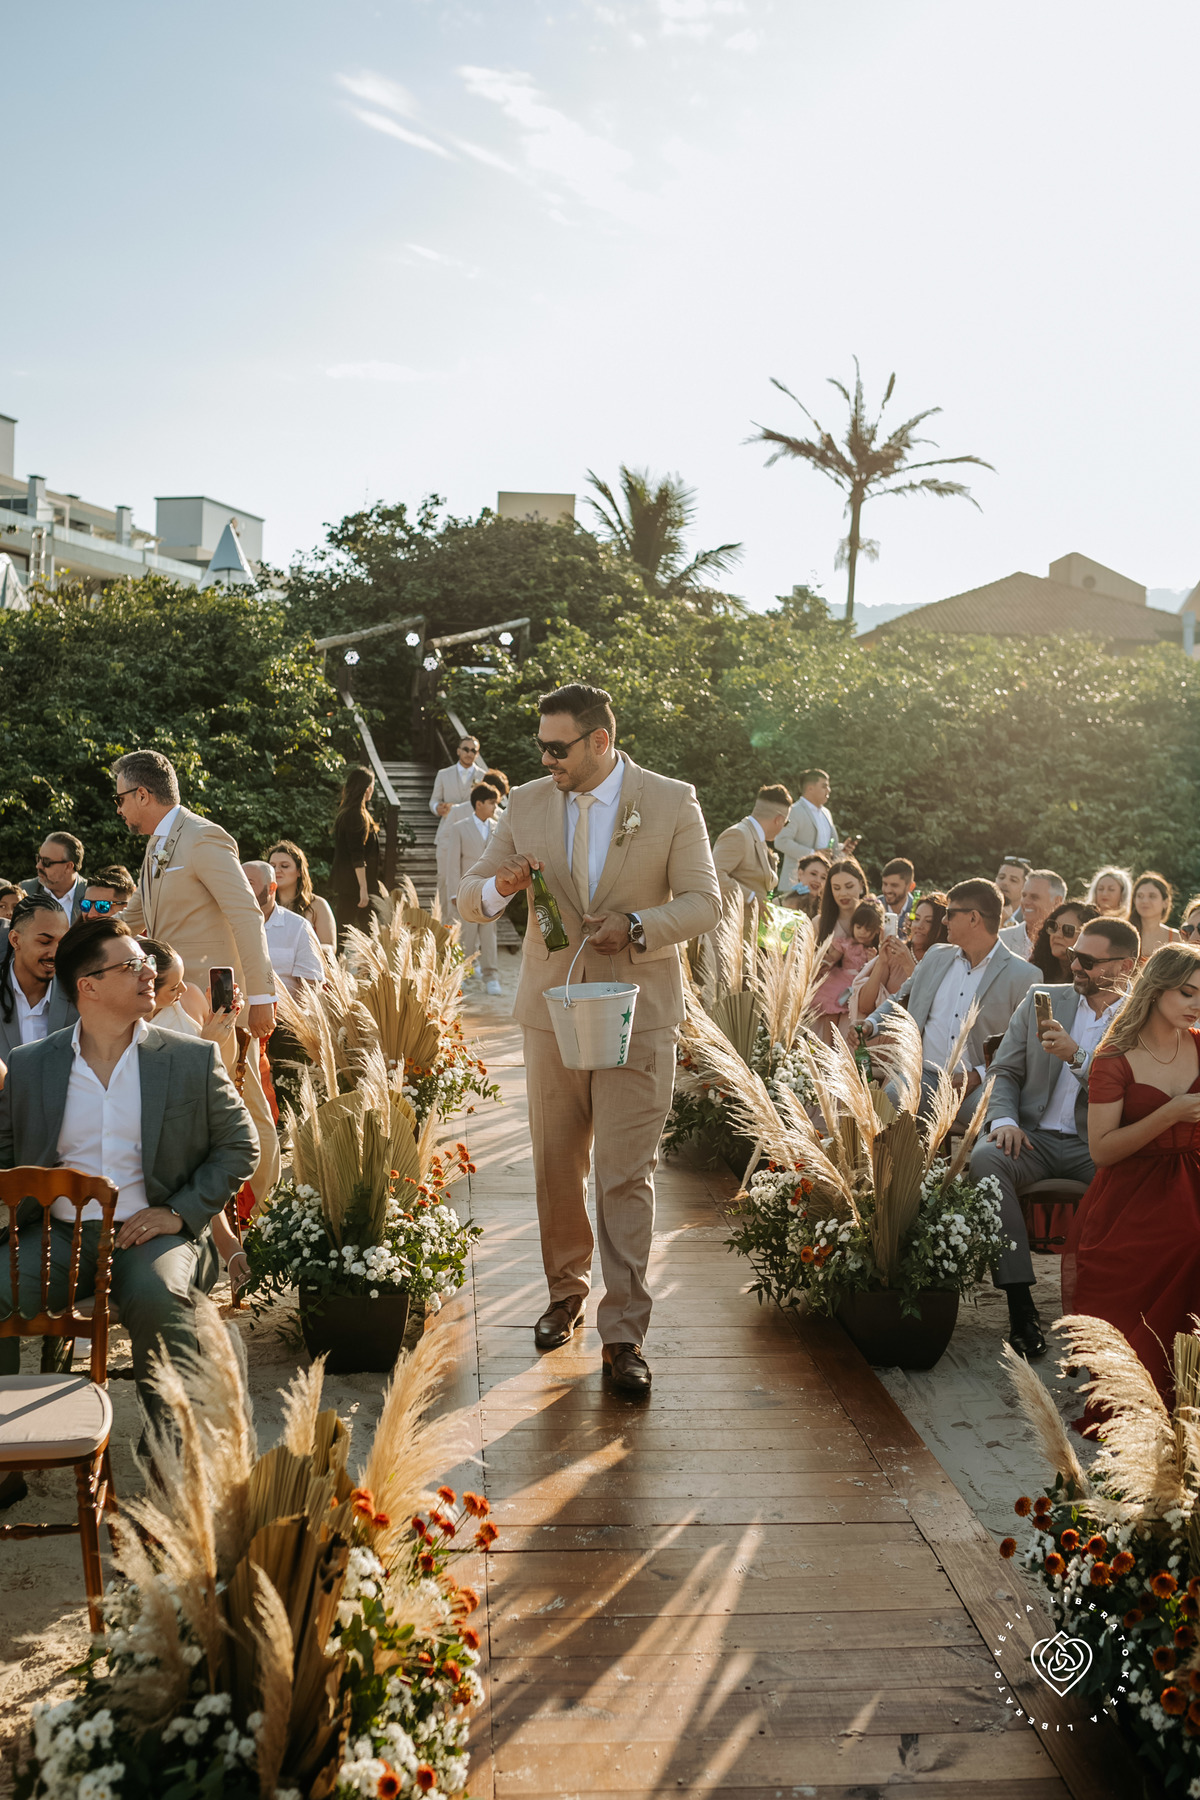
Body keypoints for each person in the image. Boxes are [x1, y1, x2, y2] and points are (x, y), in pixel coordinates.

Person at [457, 682, 721, 1395]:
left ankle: (625, 1332)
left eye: (557, 747)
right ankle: (563, 1294)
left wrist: (638, 927)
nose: (546, 759)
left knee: (625, 1172)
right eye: (540, 746)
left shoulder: (671, 800)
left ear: (600, 741)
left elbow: (705, 901)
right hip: (550, 1012)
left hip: (640, 1010)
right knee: (554, 1164)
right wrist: (500, 888)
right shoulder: (530, 803)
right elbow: (468, 897)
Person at [0, 918, 257, 1442]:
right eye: (131, 965)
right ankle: (8, 1455)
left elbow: (239, 1145)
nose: (149, 973)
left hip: (150, 1233)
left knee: (162, 1301)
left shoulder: (190, 1058)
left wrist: (179, 1211)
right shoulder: (30, 1066)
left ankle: (170, 1452)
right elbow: (6, 1160)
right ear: (87, 986)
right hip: (56, 1235)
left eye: (146, 963)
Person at [112, 748, 279, 1208]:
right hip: (168, 1003)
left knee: (242, 1108)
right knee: (192, 1116)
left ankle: (265, 1220)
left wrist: (263, 994)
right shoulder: (154, 847)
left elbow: (245, 913)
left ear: (143, 794)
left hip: (216, 1003)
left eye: (121, 798)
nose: (120, 809)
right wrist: (84, 947)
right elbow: (136, 917)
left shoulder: (205, 837)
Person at [970, 917, 1139, 1360]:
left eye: (1088, 959)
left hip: (1098, 1146)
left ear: (1126, 966)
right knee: (985, 1161)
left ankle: (1110, 1312)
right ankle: (1020, 1304)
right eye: (1073, 954)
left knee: (1145, 1177)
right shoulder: (1042, 999)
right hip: (1032, 1139)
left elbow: (1136, 1093)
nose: (1073, 963)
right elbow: (1004, 1071)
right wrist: (1003, 1119)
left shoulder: (1140, 1020)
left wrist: (1078, 1057)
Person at [1063, 943, 1200, 1411]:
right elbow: (1101, 1151)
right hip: (1133, 1192)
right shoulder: (1114, 1057)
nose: (1197, 1004)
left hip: (1194, 1177)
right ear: (1157, 989)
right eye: (1187, 993)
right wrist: (1172, 1114)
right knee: (1188, 1240)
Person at [861, 879, 1040, 1130]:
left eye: (949, 913)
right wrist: (871, 1024)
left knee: (994, 1118)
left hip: (979, 1086)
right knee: (881, 1110)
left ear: (974, 918)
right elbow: (901, 996)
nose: (943, 920)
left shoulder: (1024, 975)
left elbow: (1022, 1044)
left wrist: (977, 1075)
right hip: (922, 1078)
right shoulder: (936, 955)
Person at [140, 935, 251, 1299]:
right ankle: (228, 1246)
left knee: (207, 1139)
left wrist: (221, 1036)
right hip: (163, 1116)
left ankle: (227, 1245)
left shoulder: (186, 1000)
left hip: (198, 1103)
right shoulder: (126, 1027)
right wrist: (207, 1049)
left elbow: (227, 1064)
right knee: (197, 1144)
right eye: (173, 985)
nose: (184, 988)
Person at [850, 890, 948, 1026]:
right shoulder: (895, 953)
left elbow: (932, 1007)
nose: (919, 926)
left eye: (929, 921)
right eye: (917, 919)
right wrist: (881, 962)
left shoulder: (946, 961)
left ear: (941, 927)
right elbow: (865, 1006)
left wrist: (908, 965)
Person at [0, 894, 76, 1061]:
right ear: (15, 939)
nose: (55, 953)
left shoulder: (79, 995)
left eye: (62, 943)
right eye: (44, 942)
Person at [445, 784, 503, 995]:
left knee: (489, 935)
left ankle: (491, 977)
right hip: (466, 890)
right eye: (491, 803)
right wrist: (453, 892)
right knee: (466, 936)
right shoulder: (458, 828)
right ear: (479, 804)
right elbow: (452, 863)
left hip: (491, 889)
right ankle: (460, 975)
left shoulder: (498, 827)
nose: (495, 808)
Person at [431, 736, 488, 921]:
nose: (469, 753)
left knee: (469, 880)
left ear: (477, 754)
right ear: (458, 750)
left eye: (473, 750)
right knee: (444, 879)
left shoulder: (483, 776)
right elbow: (433, 801)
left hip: (473, 837)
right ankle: (443, 925)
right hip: (447, 833)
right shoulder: (443, 774)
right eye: (466, 749)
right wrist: (437, 808)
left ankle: (466, 927)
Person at [775, 770, 858, 894]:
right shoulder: (794, 810)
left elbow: (826, 849)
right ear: (810, 788)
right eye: (824, 786)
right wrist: (813, 854)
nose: (829, 790)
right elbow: (781, 841)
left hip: (821, 887)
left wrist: (842, 850)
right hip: (795, 885)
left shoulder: (826, 813)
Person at [330, 766, 387, 945]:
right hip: (355, 886)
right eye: (372, 786)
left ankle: (363, 970)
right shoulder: (354, 816)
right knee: (347, 934)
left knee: (361, 932)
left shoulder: (352, 813)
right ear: (366, 788)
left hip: (354, 884)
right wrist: (363, 889)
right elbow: (357, 856)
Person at [712, 784, 791, 908]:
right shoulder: (738, 834)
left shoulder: (758, 838)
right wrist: (751, 897)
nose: (783, 827)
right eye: (785, 823)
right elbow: (713, 874)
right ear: (778, 820)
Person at [818, 897, 884, 1047]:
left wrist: (874, 960)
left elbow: (876, 972)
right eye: (858, 927)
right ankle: (827, 1043)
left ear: (876, 931)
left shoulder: (875, 951)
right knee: (831, 1008)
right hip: (842, 980)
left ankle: (845, 1045)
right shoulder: (846, 944)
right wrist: (824, 963)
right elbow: (833, 958)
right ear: (853, 925)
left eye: (868, 929)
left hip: (860, 984)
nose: (862, 932)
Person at [267, 840, 336, 954]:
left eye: (284, 866)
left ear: (299, 871)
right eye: (272, 866)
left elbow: (330, 948)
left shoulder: (317, 904)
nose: (277, 870)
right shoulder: (263, 904)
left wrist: (296, 950)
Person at [1000, 868, 1067, 959]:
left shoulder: (1064, 943)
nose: (1025, 902)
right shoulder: (1001, 939)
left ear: (1057, 902)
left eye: (1034, 897)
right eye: (1024, 895)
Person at [21, 832, 87, 923]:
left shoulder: (93, 895)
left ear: (68, 866)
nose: (38, 866)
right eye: (38, 859)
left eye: (46, 862)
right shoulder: (24, 891)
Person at [1029, 899, 1099, 983]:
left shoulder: (1092, 981)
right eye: (1054, 926)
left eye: (1068, 930)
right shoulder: (1034, 972)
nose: (1057, 935)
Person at [1132, 870, 1178, 961]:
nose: (1144, 901)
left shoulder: (1176, 938)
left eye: (1152, 896)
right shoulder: (1126, 933)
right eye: (1140, 896)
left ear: (1165, 902)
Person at [783, 851, 830, 919]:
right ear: (800, 874)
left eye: (823, 877)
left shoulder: (827, 910)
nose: (818, 880)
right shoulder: (780, 903)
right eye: (813, 874)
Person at [878, 858, 917, 932]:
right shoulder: (874, 906)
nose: (887, 890)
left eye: (894, 885)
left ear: (911, 887)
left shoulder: (918, 912)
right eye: (885, 884)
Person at [995, 856, 1032, 927]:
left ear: (1026, 886)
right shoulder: (980, 911)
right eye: (1001, 877)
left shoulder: (1029, 920)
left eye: (1013, 880)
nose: (1005, 882)